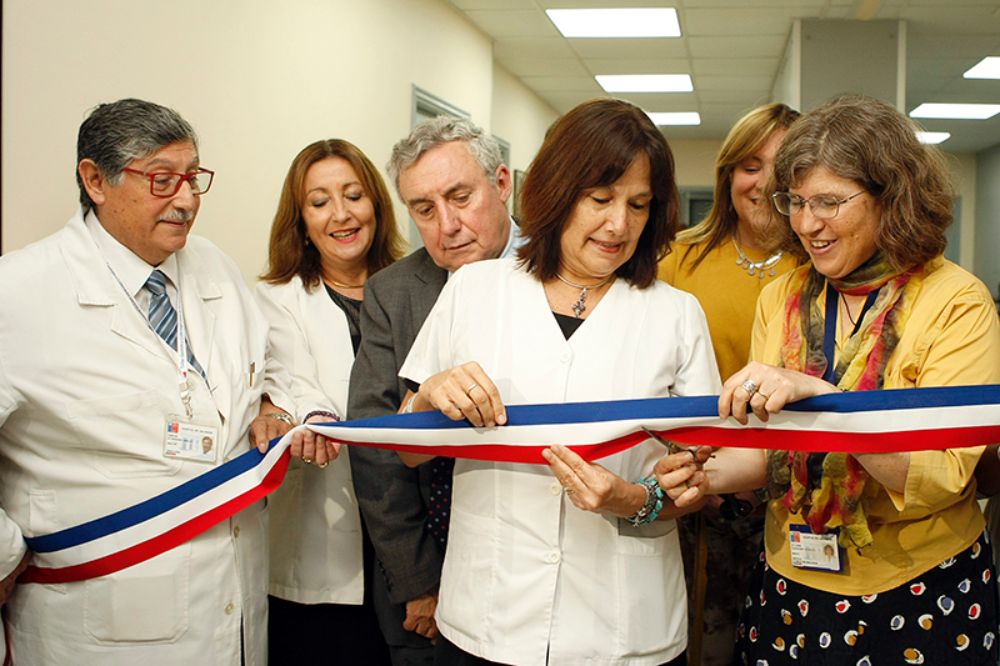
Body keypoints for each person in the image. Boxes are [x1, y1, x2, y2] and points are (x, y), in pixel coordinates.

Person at [657, 94, 1000, 665]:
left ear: (892, 197)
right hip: (792, 583)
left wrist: (827, 401)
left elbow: (941, 477)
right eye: (796, 201)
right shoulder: (783, 297)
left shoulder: (957, 303)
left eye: (829, 203)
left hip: (917, 589)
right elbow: (775, 452)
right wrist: (689, 471)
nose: (807, 223)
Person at [397, 98, 720, 665]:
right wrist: (427, 397)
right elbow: (405, 451)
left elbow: (700, 478)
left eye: (638, 204)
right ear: (556, 190)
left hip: (623, 628)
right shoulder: (474, 289)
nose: (619, 224)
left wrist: (632, 499)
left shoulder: (676, 314)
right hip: (487, 617)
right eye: (600, 199)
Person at [0, 98, 303, 664]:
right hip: (101, 618)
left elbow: (271, 366)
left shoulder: (213, 265)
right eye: (163, 181)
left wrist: (273, 407)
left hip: (233, 601)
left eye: (192, 179)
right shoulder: (18, 292)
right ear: (95, 180)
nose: (187, 200)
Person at [347, 116, 519, 665]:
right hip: (431, 568)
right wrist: (418, 581)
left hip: (536, 564)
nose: (447, 225)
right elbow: (376, 450)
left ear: (502, 183)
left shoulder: (565, 273)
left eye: (461, 197)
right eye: (424, 209)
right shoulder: (392, 294)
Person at [657, 102, 799, 666]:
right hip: (695, 488)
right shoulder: (678, 259)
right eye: (748, 165)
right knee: (700, 641)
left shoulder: (822, 264)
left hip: (792, 489)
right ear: (726, 175)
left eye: (781, 165)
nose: (762, 182)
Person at [257, 139, 405, 664]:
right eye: (319, 202)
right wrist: (303, 415)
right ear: (300, 219)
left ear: (377, 205)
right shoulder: (274, 301)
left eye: (353, 195)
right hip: (322, 540)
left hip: (413, 535)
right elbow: (287, 381)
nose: (341, 215)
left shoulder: (419, 287)